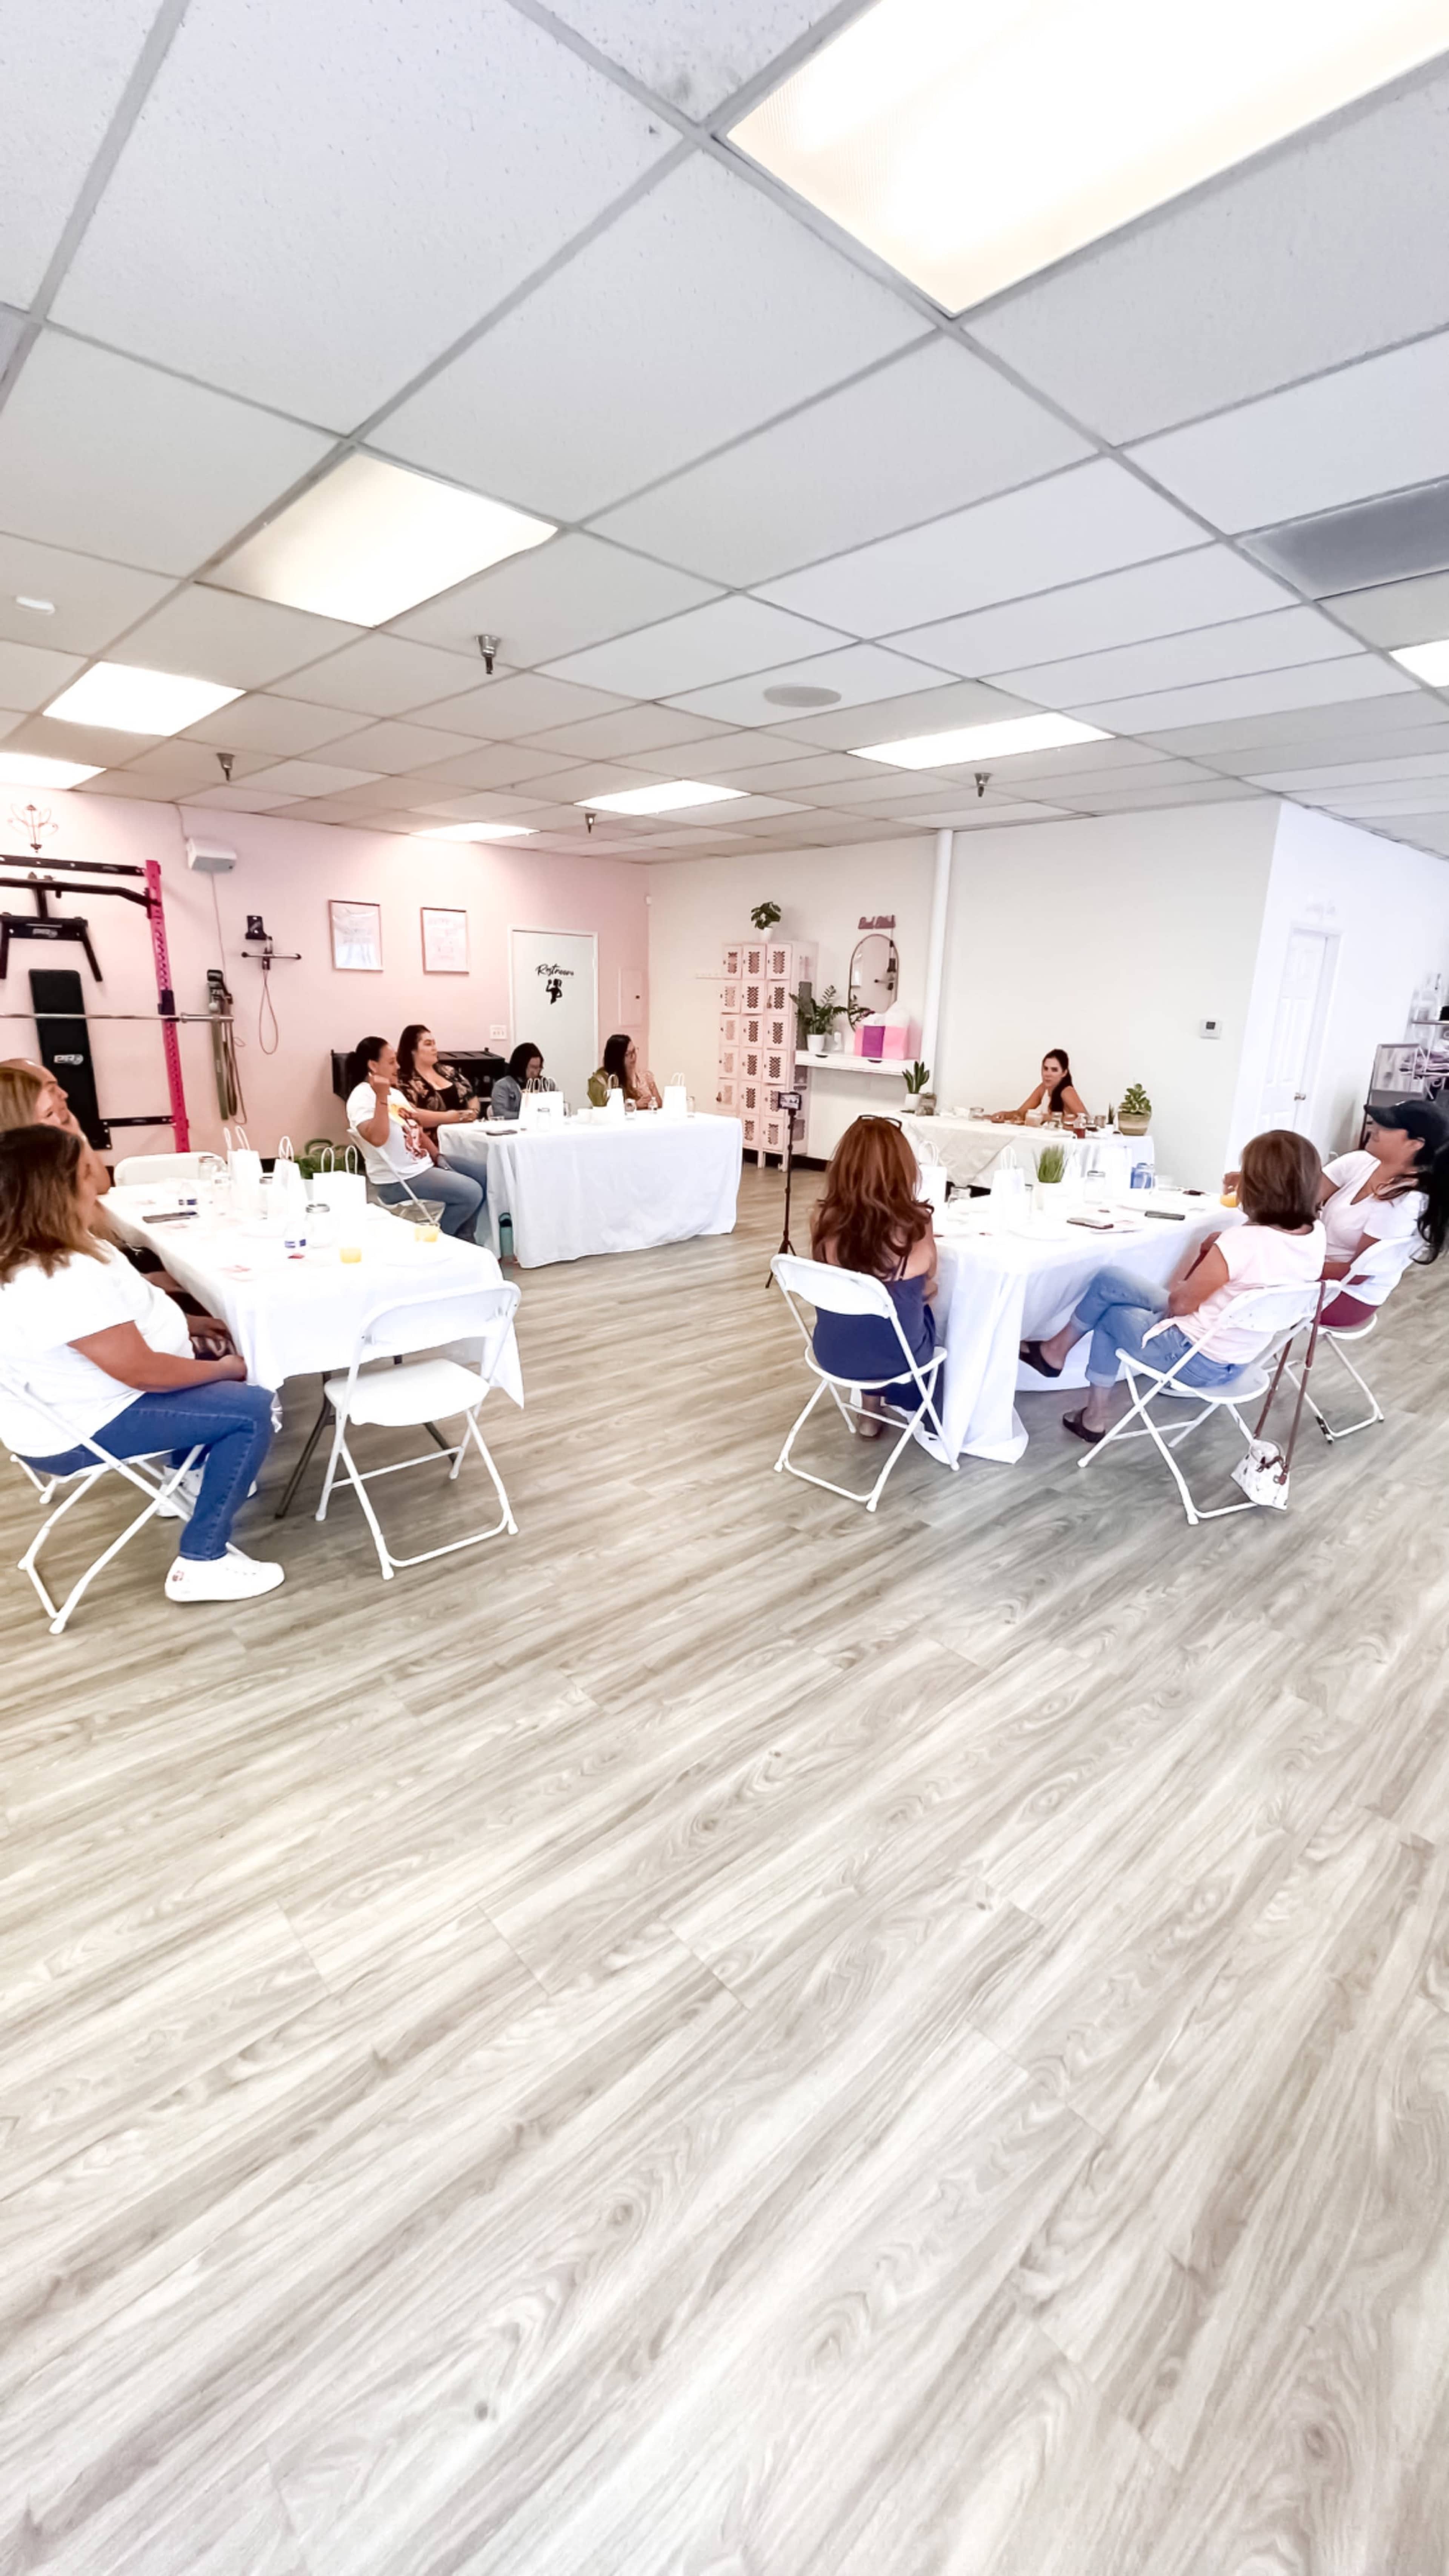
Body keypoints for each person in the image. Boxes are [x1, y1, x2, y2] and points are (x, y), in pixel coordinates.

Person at [0, 1125, 281, 1601]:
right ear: (61, 1185)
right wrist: (226, 1370)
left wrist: (190, 1324)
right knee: (251, 1410)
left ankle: (186, 1477)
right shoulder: (58, 1275)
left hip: (79, 1403)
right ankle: (202, 1559)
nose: (96, 1173)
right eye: (86, 1167)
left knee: (214, 1372)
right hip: (82, 1425)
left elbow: (124, 1314)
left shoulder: (58, 1248)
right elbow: (143, 1371)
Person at [1021, 1127, 1326, 1444]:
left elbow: (1179, 1304)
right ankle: (1054, 1352)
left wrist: (1201, 1262)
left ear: (1260, 1185)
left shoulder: (1242, 1241)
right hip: (1239, 1357)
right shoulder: (1316, 1233)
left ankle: (1094, 1418)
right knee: (1108, 1279)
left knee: (1111, 1317)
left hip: (1192, 1358)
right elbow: (1265, 1240)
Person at [809, 1117, 939, 1439]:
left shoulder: (823, 1221)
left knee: (869, 1313)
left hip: (832, 1351)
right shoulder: (917, 1225)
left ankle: (870, 1410)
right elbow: (931, 1279)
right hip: (899, 1357)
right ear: (903, 1169)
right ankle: (936, 1412)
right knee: (917, 1307)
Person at [1315, 1098, 1449, 1327]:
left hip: (1346, 1296)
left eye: (1387, 1127)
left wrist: (1290, 1264)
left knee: (1241, 1284)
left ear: (1416, 1144)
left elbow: (1358, 1274)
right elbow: (1299, 1199)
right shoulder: (1360, 1162)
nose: (1374, 1127)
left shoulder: (1405, 1202)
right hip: (1317, 1271)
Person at [345, 1036, 484, 1240]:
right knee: (471, 1192)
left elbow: (415, 1128)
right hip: (398, 1180)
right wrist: (381, 1098)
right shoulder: (361, 1097)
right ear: (373, 1066)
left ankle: (465, 1238)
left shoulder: (395, 1094)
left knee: (484, 1174)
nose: (398, 1066)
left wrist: (438, 1156)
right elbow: (377, 1138)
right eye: (392, 1062)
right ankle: (441, 1242)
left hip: (422, 1166)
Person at [397, 1025, 483, 1127]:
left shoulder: (449, 1072)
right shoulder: (404, 1080)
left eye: (434, 1044)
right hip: (431, 1138)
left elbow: (472, 1096)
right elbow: (411, 1113)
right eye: (428, 1044)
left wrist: (473, 1112)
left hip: (464, 1133)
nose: (434, 1049)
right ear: (412, 1050)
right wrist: (451, 1118)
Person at [990, 1049, 1086, 1124]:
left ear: (1064, 1073)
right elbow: (1021, 1113)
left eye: (1054, 1070)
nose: (1048, 1074)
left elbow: (1085, 1119)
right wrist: (1005, 1115)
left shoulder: (1067, 1091)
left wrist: (1046, 1118)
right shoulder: (1043, 1088)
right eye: (1046, 1069)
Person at [489, 1041, 556, 1124]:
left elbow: (559, 1109)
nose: (536, 1073)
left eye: (539, 1068)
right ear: (521, 1066)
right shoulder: (503, 1086)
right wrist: (531, 1115)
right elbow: (501, 1114)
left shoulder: (547, 1084)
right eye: (533, 1068)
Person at [598, 1031, 661, 1110]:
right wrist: (636, 1105)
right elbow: (606, 1110)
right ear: (618, 1058)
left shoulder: (646, 1076)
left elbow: (659, 1104)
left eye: (634, 1051)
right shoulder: (607, 1080)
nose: (634, 1057)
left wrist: (651, 1102)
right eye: (629, 1054)